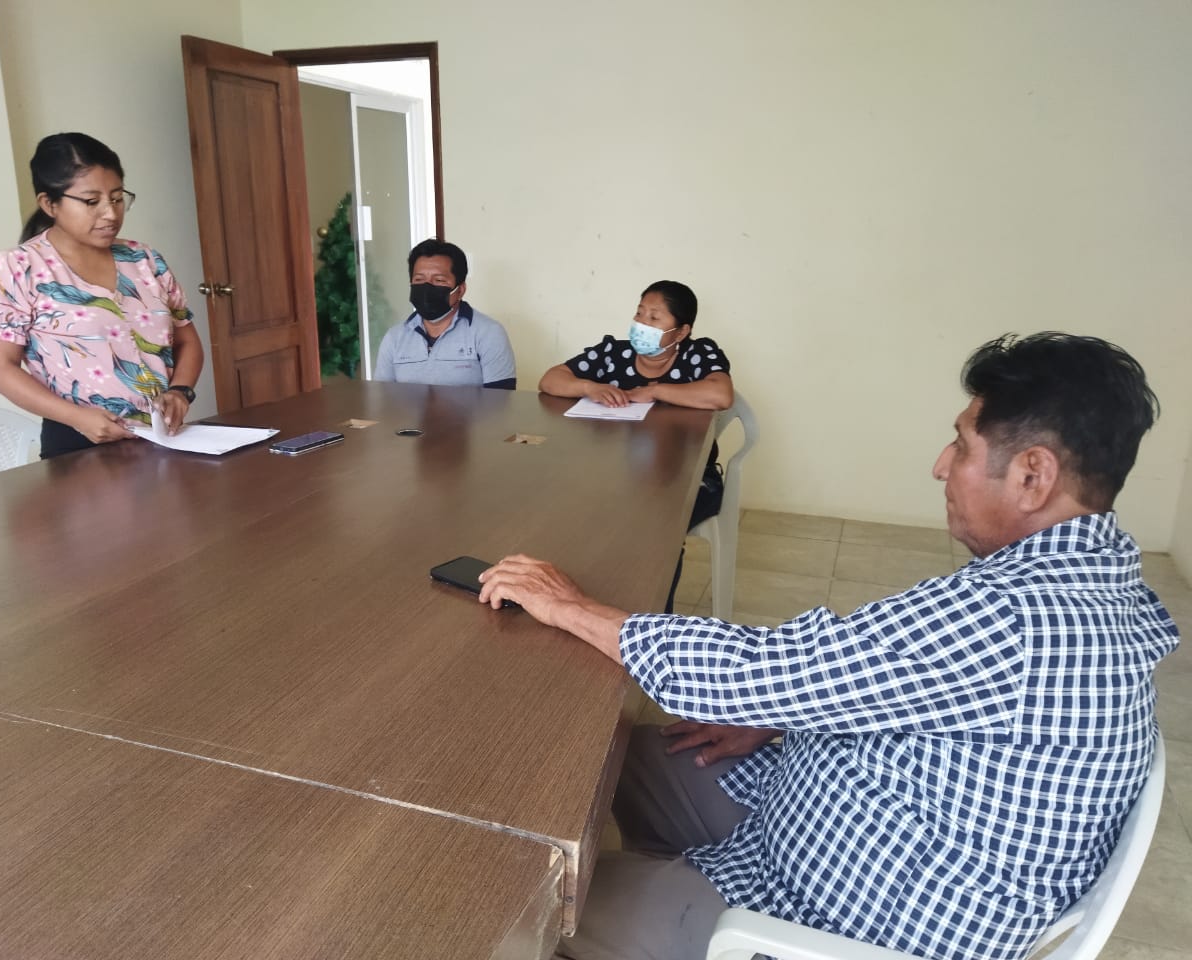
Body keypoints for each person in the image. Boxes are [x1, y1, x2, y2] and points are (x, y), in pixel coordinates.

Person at [479, 332, 1180, 960]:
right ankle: (655, 875)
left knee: (518, 909)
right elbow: (881, 680)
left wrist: (568, 607)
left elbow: (760, 671)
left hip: (816, 921)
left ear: (1033, 475)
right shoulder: (1095, 582)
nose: (941, 466)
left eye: (963, 446)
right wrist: (782, 715)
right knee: (613, 757)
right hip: (824, 821)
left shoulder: (1017, 618)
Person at [0, 132, 204, 459]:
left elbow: (187, 340)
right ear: (49, 204)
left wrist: (180, 392)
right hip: (77, 444)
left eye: (117, 198)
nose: (110, 213)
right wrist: (77, 418)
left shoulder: (144, 260)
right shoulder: (17, 268)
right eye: (91, 201)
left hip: (162, 438)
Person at [539, 281, 733, 610]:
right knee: (576, 514)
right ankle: (591, 606)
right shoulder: (613, 354)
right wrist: (588, 387)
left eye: (654, 318)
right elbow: (550, 379)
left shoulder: (699, 354)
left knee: (657, 530)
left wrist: (654, 391)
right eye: (640, 313)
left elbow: (721, 394)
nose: (642, 323)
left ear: (681, 331)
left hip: (690, 481)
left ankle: (652, 619)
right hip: (616, 477)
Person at [373, 239, 516, 389]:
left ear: (460, 290)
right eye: (419, 279)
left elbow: (501, 400)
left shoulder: (488, 333)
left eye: (439, 280)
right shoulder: (394, 338)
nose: (427, 287)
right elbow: (382, 397)